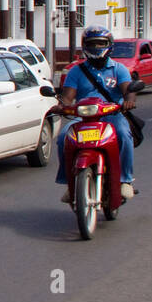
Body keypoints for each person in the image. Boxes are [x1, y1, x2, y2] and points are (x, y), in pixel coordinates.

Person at [55, 25, 137, 203]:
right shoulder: (76, 71)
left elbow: (128, 90)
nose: (97, 48)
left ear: (109, 45)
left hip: (112, 115)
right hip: (83, 116)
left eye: (101, 43)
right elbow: (68, 97)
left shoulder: (118, 69)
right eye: (93, 44)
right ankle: (69, 183)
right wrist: (62, 106)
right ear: (85, 46)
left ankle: (125, 180)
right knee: (63, 138)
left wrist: (129, 101)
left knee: (123, 134)